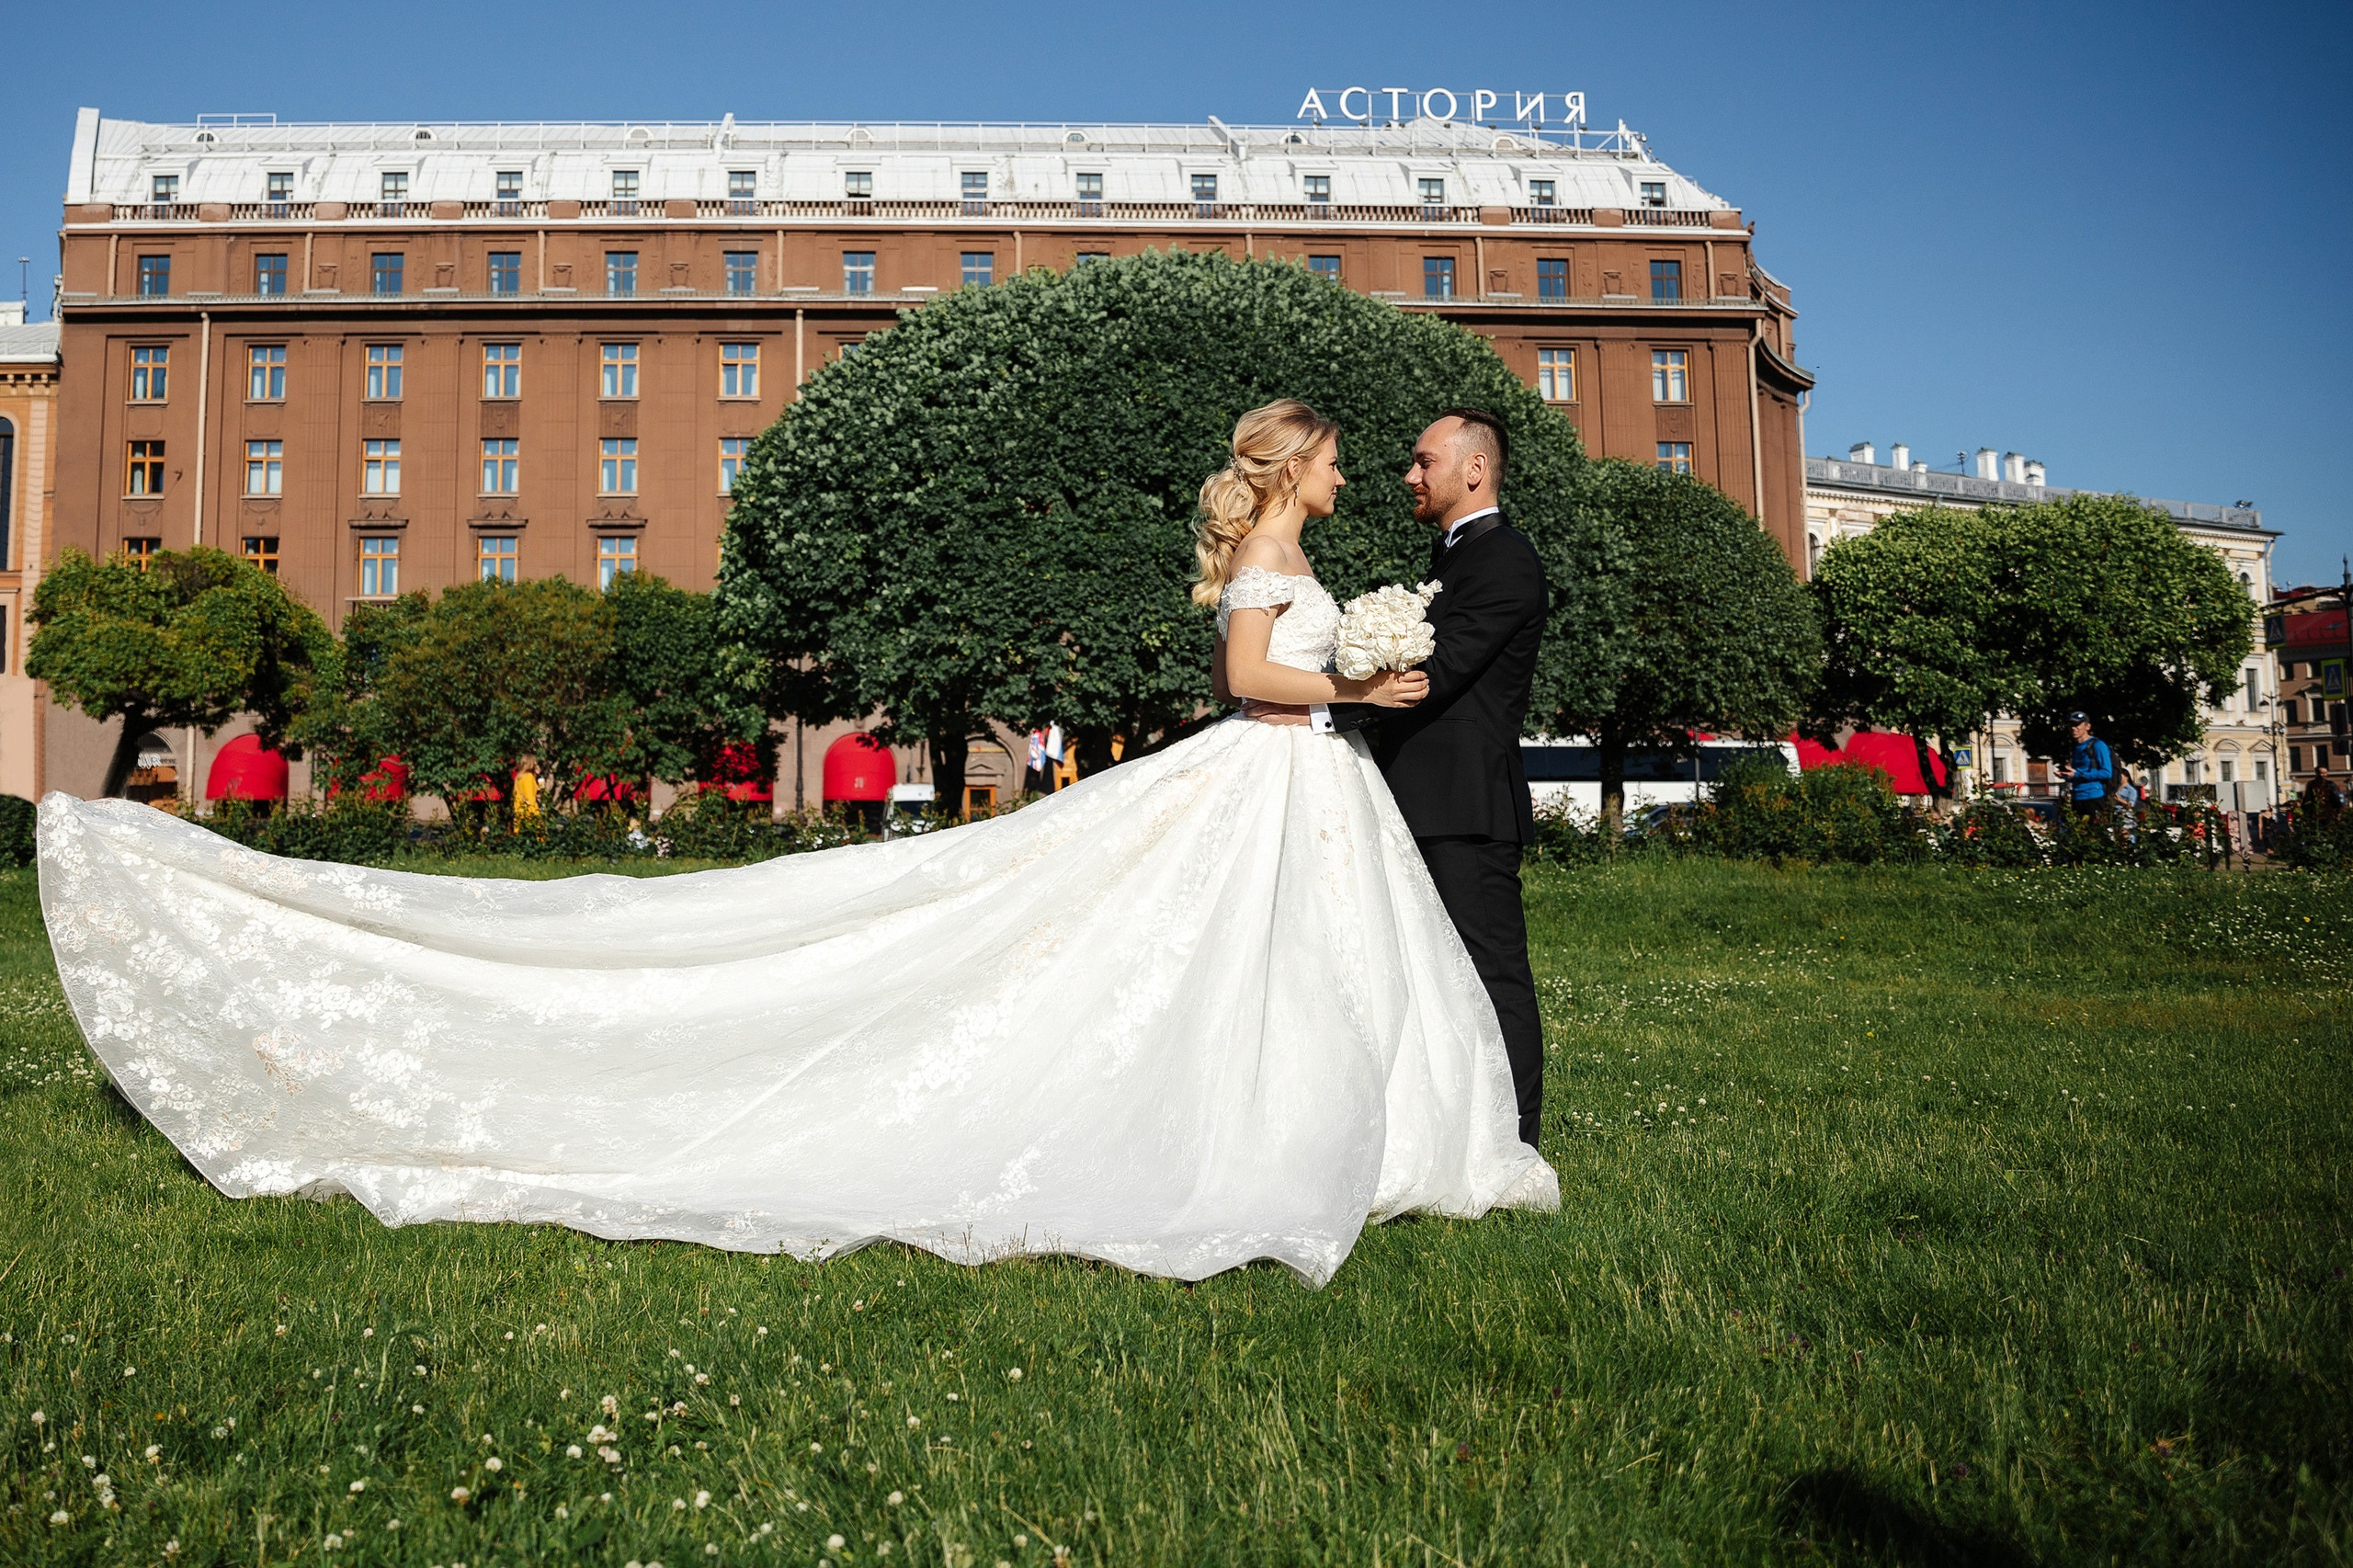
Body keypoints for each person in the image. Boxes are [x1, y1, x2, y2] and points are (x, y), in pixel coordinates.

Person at [35, 400, 1557, 1290]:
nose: (1362, 477)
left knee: (1297, 975)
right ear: (1292, 470)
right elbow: (1245, 681)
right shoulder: (1277, 561)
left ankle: (1354, 1130)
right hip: (1272, 764)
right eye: (1343, 460)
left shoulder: (1296, 549)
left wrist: (1350, 679)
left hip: (1304, 788)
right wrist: (1350, 675)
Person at [1247, 410, 1548, 1148]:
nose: (1409, 476)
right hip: (1411, 797)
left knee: (1488, 973)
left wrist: (1318, 715)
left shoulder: (1504, 559)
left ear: (1473, 470)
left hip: (1463, 807)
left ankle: (1511, 1141)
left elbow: (1434, 678)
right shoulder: (1451, 559)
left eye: (1424, 462)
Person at [2054, 711, 2113, 817]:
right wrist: (2066, 775)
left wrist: (2078, 775)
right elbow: (2077, 772)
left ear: (2088, 726)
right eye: (2071, 725)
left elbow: (2107, 772)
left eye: (2077, 725)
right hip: (2076, 797)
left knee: (2096, 832)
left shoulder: (2098, 745)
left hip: (2094, 797)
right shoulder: (2075, 748)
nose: (2073, 728)